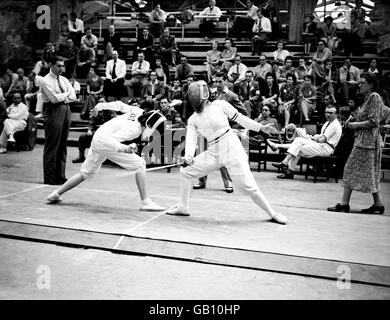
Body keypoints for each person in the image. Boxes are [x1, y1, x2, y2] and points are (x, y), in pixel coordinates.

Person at [165, 80, 287, 224]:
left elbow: (242, 120)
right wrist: (189, 157)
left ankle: (272, 213)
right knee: (186, 171)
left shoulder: (220, 105)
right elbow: (191, 140)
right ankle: (183, 207)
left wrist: (261, 128)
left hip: (231, 146)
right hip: (213, 151)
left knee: (247, 186)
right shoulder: (193, 119)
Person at [47, 107, 167, 213]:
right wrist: (124, 148)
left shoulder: (138, 111)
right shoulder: (133, 130)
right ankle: (145, 202)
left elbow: (119, 106)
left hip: (99, 136)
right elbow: (111, 140)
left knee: (86, 173)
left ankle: (55, 194)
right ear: (150, 126)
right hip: (105, 142)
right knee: (140, 164)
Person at [328, 73, 385, 214]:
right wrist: (354, 119)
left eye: (363, 83)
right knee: (369, 173)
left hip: (367, 142)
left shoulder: (374, 97)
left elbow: (374, 121)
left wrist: (355, 125)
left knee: (349, 169)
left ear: (371, 84)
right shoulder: (368, 98)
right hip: (364, 141)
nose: (360, 85)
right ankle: (378, 204)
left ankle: (344, 204)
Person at [274, 104, 342, 180]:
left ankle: (287, 168)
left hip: (326, 148)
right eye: (326, 112)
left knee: (298, 148)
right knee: (298, 140)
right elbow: (321, 136)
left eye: (331, 113)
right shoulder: (327, 123)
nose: (328, 115)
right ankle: (286, 165)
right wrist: (312, 137)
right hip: (320, 145)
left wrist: (315, 138)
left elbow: (322, 140)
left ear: (336, 114)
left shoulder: (335, 125)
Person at [40, 56, 76, 185]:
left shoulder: (64, 79)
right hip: (53, 111)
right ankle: (50, 178)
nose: (62, 68)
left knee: (62, 145)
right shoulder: (45, 81)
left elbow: (74, 96)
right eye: (59, 66)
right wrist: (67, 94)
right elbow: (54, 99)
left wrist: (65, 97)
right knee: (52, 145)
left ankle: (60, 176)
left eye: (63, 66)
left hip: (66, 110)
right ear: (51, 65)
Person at [73, 97, 137, 163]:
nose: (101, 103)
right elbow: (91, 123)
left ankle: (108, 158)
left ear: (106, 102)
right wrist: (89, 130)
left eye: (102, 101)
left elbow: (115, 122)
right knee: (82, 137)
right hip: (97, 133)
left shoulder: (110, 110)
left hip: (108, 134)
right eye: (99, 102)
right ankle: (81, 156)